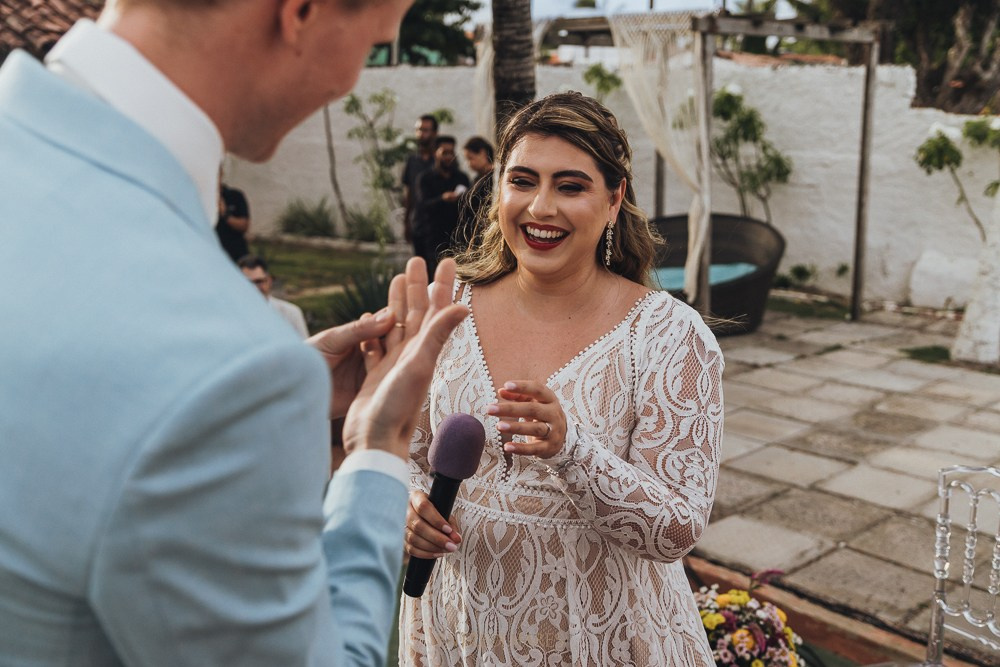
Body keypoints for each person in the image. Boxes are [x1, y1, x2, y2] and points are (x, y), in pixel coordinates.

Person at [0, 1, 469, 666]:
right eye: (373, 45)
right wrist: (377, 450)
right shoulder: (222, 368)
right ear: (301, 12)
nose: (352, 82)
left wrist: (271, 404)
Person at [401, 92, 724, 666]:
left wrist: (572, 450)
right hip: (458, 631)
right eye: (522, 181)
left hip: (602, 640)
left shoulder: (668, 336)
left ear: (614, 199)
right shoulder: (447, 309)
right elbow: (405, 452)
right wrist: (406, 507)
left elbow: (676, 530)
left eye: (570, 187)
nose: (541, 207)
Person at [412, 135, 470, 277]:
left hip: (455, 238)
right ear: (435, 153)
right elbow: (422, 205)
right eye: (444, 153)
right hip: (432, 238)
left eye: (451, 152)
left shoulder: (461, 178)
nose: (448, 157)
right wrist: (442, 199)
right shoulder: (425, 179)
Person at [239, 254, 310, 339]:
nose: (254, 288)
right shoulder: (232, 316)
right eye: (248, 283)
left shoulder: (291, 313)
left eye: (259, 281)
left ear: (269, 280)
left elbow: (304, 345)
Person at [401, 113, 438, 243]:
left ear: (434, 133)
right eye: (418, 130)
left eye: (425, 130)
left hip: (437, 224)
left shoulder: (441, 161)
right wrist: (406, 222)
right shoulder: (412, 160)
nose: (421, 134)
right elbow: (408, 192)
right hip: (418, 222)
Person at [454, 135, 495, 251]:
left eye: (470, 158)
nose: (469, 164)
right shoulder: (477, 178)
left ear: (482, 153)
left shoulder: (494, 178)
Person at [217, 177, 251, 262]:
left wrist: (225, 214)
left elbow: (244, 225)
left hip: (235, 253)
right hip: (211, 251)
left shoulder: (235, 196)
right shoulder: (200, 197)